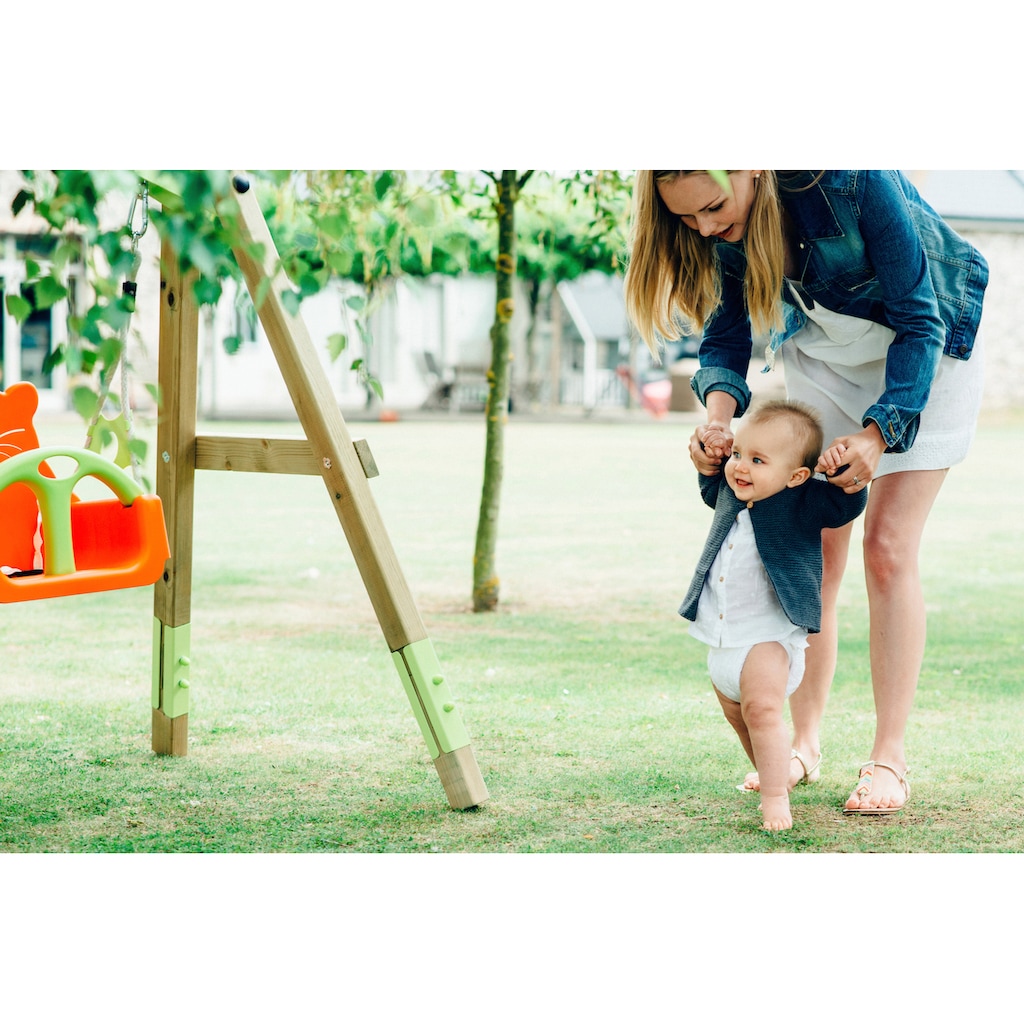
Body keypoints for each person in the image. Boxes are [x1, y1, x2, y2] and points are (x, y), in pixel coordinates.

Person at [625, 170, 988, 814]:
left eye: (712, 208)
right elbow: (728, 334)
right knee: (809, 549)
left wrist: (880, 434)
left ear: (751, 168)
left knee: (888, 549)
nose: (707, 229)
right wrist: (716, 421)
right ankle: (803, 743)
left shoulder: (851, 178)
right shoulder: (726, 224)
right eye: (688, 221)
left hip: (927, 350)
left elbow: (917, 317)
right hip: (827, 358)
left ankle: (888, 758)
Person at [682, 399, 867, 830]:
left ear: (796, 476)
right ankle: (775, 770)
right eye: (740, 454)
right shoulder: (731, 491)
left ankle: (774, 798)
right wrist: (711, 457)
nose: (741, 467)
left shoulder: (801, 500)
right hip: (723, 635)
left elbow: (845, 507)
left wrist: (846, 477)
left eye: (758, 460)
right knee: (739, 715)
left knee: (763, 711)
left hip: (768, 635)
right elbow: (711, 485)